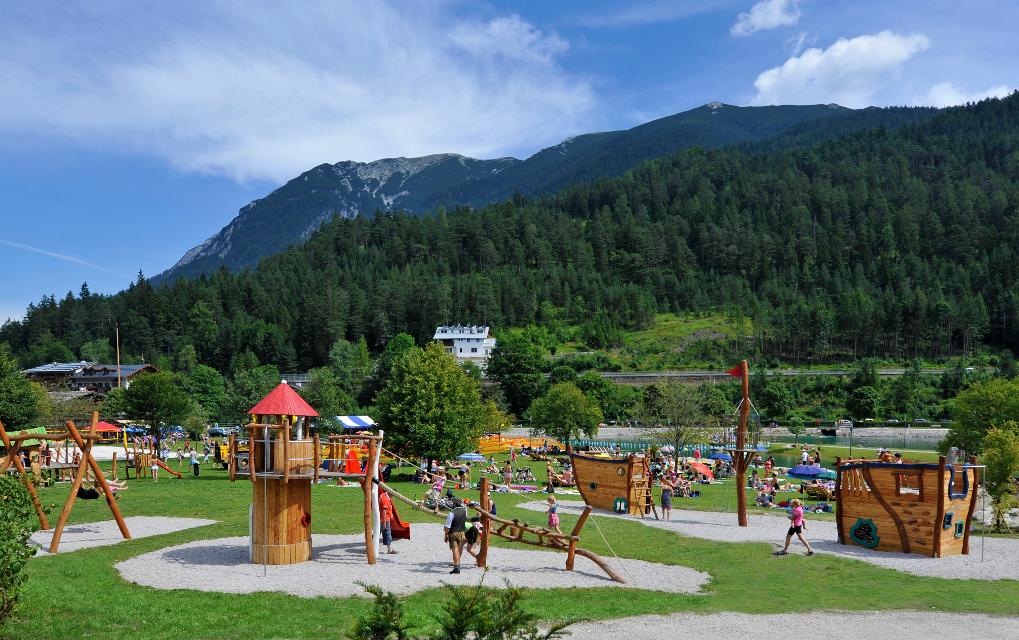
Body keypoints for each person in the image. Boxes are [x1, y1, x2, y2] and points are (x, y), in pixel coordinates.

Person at [444, 497, 469, 574]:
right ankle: (457, 565)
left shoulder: (452, 513)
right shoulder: (464, 511)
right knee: (458, 549)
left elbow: (447, 526)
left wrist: (446, 535)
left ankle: (456, 567)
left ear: (454, 504)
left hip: (453, 533)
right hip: (462, 533)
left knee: (454, 550)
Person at [379, 488, 398, 554]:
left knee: (377, 533)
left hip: (382, 519)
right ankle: (389, 549)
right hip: (384, 519)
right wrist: (384, 522)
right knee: (387, 534)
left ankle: (368, 548)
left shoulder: (383, 495)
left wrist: (391, 514)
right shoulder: (385, 499)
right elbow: (384, 511)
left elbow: (386, 509)